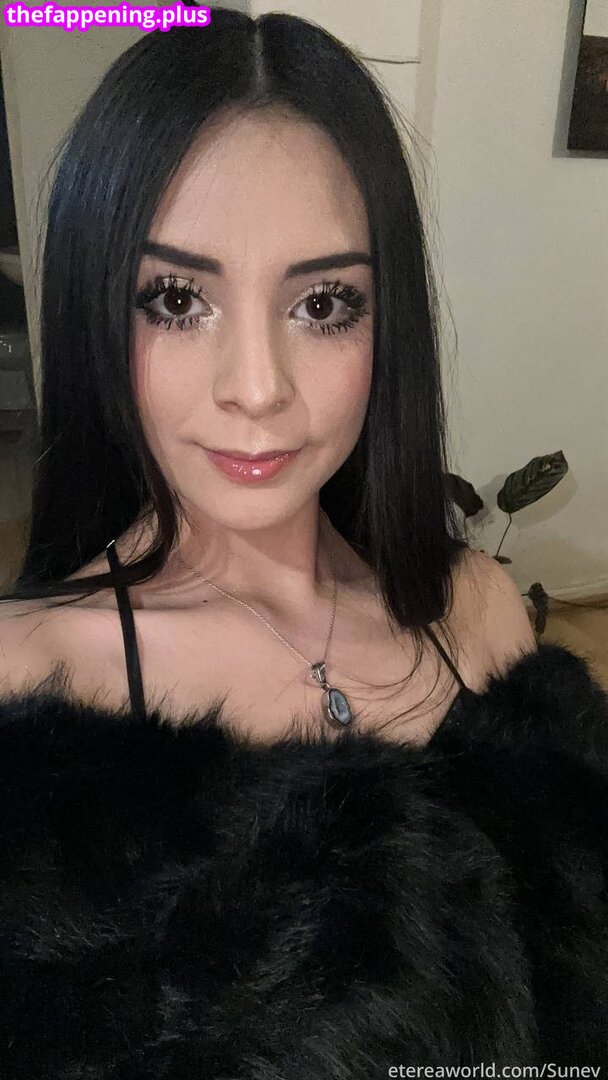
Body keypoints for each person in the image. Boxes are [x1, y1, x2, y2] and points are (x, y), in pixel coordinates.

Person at [0, 7, 606, 1076]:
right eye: (176, 298)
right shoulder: (29, 683)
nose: (256, 387)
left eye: (323, 303)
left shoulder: (473, 608)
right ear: (98, 309)